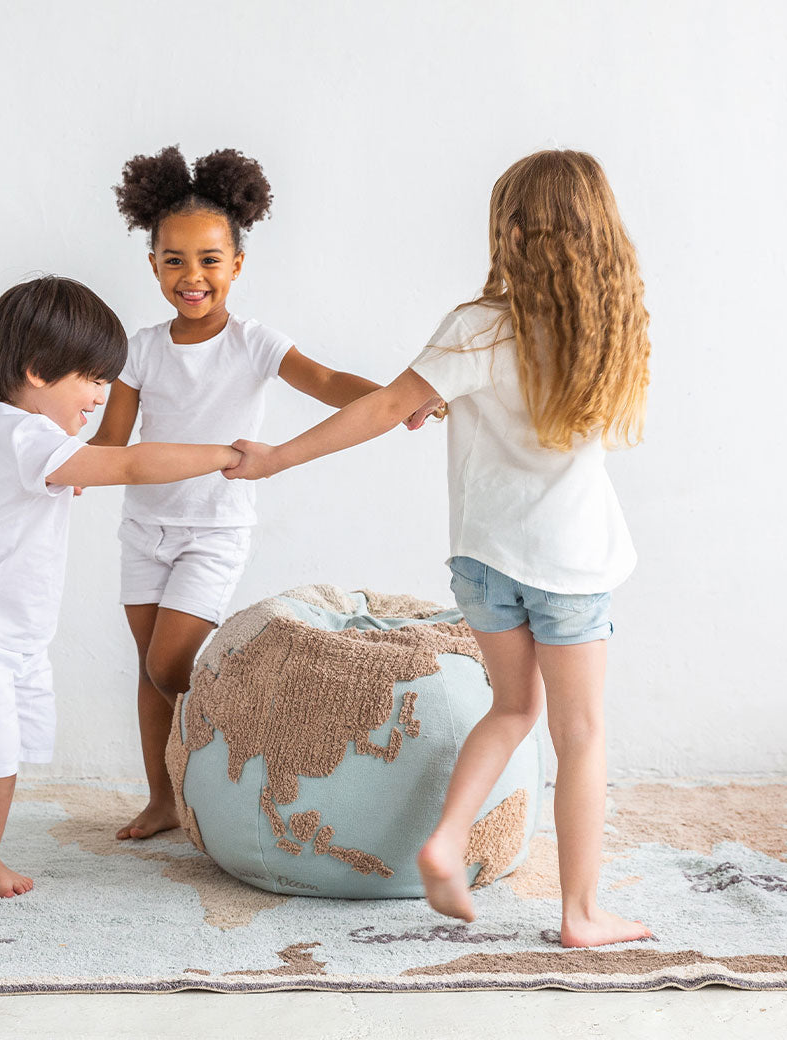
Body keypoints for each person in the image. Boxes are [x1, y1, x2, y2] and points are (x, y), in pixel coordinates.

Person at [227, 150, 653, 948]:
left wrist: (277, 456)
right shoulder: (612, 329)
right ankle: (581, 915)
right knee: (581, 736)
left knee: (513, 708)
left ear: (511, 233)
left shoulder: (477, 327)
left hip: (484, 562)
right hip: (570, 567)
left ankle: (447, 839)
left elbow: (387, 407)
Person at [91, 145, 429, 840]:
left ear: (237, 265)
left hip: (214, 530)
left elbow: (327, 382)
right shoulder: (140, 349)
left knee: (169, 665)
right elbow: (110, 444)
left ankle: (257, 737)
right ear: (152, 265)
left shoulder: (253, 343)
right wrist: (53, 460)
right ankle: (163, 799)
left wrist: (400, 400)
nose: (192, 276)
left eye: (209, 260)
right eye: (174, 260)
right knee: (151, 674)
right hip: (144, 531)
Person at [0, 275, 242, 897]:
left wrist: (72, 460)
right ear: (36, 371)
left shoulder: (16, 434)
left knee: (5, 752)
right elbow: (129, 462)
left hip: (15, 635)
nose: (101, 396)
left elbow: (72, 465)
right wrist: (223, 455)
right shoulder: (19, 434)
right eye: (91, 379)